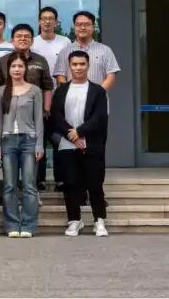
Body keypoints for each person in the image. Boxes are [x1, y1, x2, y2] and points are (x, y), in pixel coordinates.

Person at [50, 51, 110, 237]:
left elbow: (100, 117)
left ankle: (99, 220)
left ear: (88, 66)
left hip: (91, 144)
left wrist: (81, 132)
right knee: (71, 184)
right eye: (74, 64)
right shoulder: (61, 90)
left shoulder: (98, 91)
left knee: (95, 183)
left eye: (82, 64)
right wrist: (73, 135)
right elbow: (56, 116)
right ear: (69, 66)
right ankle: (74, 220)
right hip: (68, 144)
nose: (78, 68)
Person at [0, 24, 55, 191]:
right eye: (19, 36)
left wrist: (46, 109)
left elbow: (47, 85)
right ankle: (13, 191)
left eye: (26, 36)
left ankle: (36, 187)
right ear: (12, 40)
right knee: (10, 160)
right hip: (9, 116)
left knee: (36, 151)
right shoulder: (2, 61)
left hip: (35, 113)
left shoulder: (40, 60)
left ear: (32, 40)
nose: (22, 39)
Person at [0, 55, 44, 238]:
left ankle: (29, 225)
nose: (17, 69)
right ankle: (12, 225)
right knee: (9, 185)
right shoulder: (1, 91)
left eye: (20, 66)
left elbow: (39, 119)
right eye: (13, 66)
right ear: (8, 69)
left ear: (26, 69)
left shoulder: (35, 90)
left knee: (30, 185)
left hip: (29, 140)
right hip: (8, 141)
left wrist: (39, 144)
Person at [52, 11, 120, 91]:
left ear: (93, 27)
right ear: (74, 27)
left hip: (98, 97)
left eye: (87, 24)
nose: (83, 28)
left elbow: (111, 77)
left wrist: (96, 94)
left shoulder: (105, 50)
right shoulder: (64, 52)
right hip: (72, 97)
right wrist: (69, 93)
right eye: (79, 24)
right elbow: (60, 77)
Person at [32, 6, 71, 78]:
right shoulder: (32, 42)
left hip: (61, 82)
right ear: (39, 22)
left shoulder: (65, 41)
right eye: (44, 18)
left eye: (50, 18)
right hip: (38, 83)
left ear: (56, 22)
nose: (47, 21)